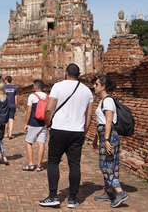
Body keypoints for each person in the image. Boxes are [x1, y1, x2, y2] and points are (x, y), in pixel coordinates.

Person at [39, 63, 94, 209]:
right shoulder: (87, 91)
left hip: (59, 129)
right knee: (74, 164)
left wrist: (47, 123)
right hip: (77, 131)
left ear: (66, 73)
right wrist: (84, 132)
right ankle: (72, 198)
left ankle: (53, 196)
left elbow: (49, 109)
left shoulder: (58, 86)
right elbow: (89, 115)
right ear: (79, 74)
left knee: (53, 162)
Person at [92, 75, 129, 208]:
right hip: (104, 135)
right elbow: (100, 122)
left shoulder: (107, 101)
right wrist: (97, 138)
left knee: (106, 165)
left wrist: (106, 139)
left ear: (103, 86)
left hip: (110, 136)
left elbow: (108, 121)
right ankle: (109, 193)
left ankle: (120, 192)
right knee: (108, 163)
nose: (94, 87)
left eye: (96, 84)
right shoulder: (103, 101)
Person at [23, 79, 48, 172]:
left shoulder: (32, 96)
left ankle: (30, 164)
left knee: (29, 142)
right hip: (43, 123)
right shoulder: (47, 96)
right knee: (41, 143)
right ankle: (39, 165)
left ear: (36, 87)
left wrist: (26, 123)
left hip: (33, 122)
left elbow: (29, 111)